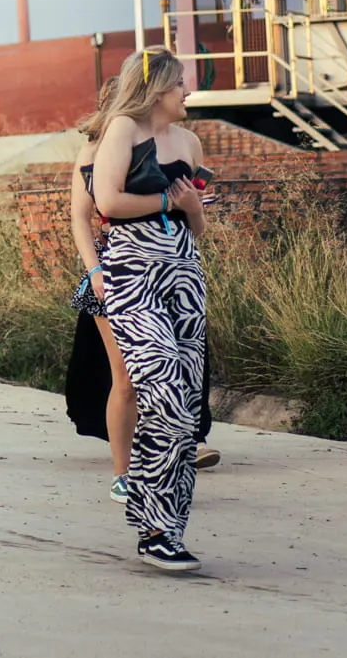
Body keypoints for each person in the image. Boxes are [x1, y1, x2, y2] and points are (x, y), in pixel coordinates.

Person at [86, 51, 212, 573]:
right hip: (132, 274)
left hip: (183, 274)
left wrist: (191, 209)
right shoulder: (122, 129)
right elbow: (108, 203)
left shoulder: (190, 143)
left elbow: (197, 225)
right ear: (157, 87)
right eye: (181, 82)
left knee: (186, 410)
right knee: (161, 393)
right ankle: (153, 523)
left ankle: (167, 529)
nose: (188, 91)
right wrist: (167, 204)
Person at [65, 82, 219, 485]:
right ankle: (125, 473)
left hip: (171, 273)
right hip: (116, 274)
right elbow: (81, 217)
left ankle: (174, 449)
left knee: (174, 367)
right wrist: (96, 271)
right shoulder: (96, 150)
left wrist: (189, 208)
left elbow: (194, 222)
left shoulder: (178, 143)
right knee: (127, 377)